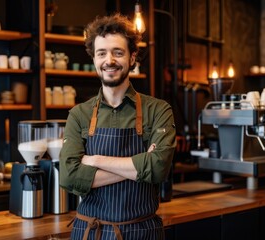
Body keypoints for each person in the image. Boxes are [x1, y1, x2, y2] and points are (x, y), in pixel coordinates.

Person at [59, 13, 176, 240]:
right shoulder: (79, 114)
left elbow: (159, 168)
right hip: (91, 233)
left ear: (132, 58)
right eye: (101, 53)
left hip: (142, 232)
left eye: (118, 52)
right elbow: (68, 177)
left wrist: (94, 160)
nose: (109, 60)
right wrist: (142, 165)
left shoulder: (158, 110)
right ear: (94, 59)